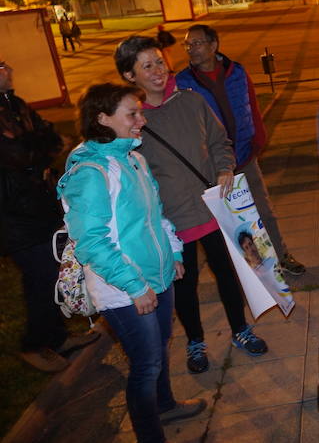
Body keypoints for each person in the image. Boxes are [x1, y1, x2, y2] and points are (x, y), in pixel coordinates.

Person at [57, 83, 206, 443]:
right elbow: (92, 242)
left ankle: (165, 405)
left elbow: (156, 213)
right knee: (145, 364)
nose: (142, 119)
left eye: (140, 112)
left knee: (159, 349)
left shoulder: (133, 158)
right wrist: (135, 286)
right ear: (102, 119)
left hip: (156, 275)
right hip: (122, 288)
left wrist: (173, 253)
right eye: (132, 113)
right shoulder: (90, 173)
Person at [115, 37, 268, 374]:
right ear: (129, 75)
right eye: (146, 66)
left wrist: (225, 167)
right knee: (185, 285)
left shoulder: (192, 100)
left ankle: (240, 329)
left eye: (159, 61)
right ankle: (195, 341)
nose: (158, 70)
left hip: (212, 208)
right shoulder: (131, 121)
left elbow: (219, 142)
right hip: (172, 221)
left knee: (228, 274)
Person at [176, 25, 306, 276]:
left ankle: (281, 256)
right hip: (213, 166)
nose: (191, 49)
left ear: (213, 45)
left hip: (245, 157)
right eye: (187, 45)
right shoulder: (183, 82)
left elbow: (252, 106)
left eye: (197, 43)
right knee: (230, 222)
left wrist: (258, 140)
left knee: (264, 211)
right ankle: (252, 270)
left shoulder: (237, 72)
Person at [0, 59, 99, 372]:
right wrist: (35, 151)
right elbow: (18, 157)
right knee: (40, 276)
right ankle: (34, 344)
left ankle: (57, 337)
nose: (8, 70)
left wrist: (35, 149)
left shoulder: (15, 105)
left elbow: (52, 137)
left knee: (55, 271)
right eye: (1, 67)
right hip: (13, 215)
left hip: (39, 204)